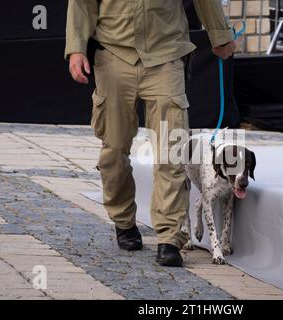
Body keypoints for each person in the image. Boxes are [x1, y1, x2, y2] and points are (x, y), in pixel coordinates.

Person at [65, 0, 236, 267]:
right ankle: (123, 220)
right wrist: (76, 48)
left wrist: (220, 35)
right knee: (114, 151)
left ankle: (170, 237)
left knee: (172, 150)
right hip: (113, 54)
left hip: (166, 53)